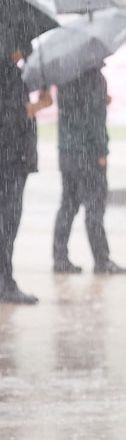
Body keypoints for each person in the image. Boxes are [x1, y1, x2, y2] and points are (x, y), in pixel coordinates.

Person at [52, 67, 126, 275]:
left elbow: (74, 112)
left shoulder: (63, 76)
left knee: (68, 205)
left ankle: (60, 258)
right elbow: (93, 120)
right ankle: (101, 260)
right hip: (89, 153)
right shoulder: (94, 78)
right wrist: (101, 151)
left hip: (67, 151)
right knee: (94, 207)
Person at [1, 33, 52, 304]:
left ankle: (5, 280)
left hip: (14, 159)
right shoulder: (6, 72)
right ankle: (4, 283)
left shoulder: (11, 73)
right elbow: (7, 114)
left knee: (7, 223)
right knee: (6, 224)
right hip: (9, 160)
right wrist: (36, 106)